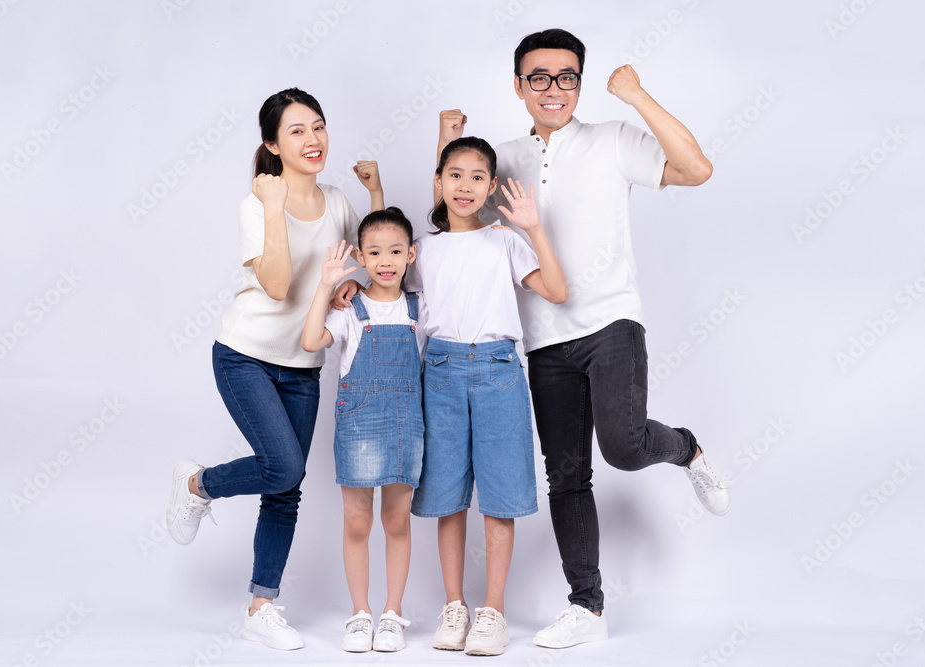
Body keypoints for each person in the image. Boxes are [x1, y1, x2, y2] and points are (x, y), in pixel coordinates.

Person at [435, 28, 731, 649]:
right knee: (567, 475)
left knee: (623, 445)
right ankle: (587, 607)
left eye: (566, 76)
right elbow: (452, 220)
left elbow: (697, 169)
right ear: (518, 86)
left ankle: (687, 449)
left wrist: (638, 96)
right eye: (538, 77)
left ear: (580, 84)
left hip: (610, 322)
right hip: (541, 341)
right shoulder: (504, 158)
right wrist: (445, 141)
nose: (553, 88)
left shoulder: (613, 140)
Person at [164, 87, 384, 651]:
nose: (313, 140)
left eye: (319, 126)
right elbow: (280, 284)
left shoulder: (337, 202)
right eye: (297, 131)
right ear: (272, 144)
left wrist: (347, 284)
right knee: (282, 466)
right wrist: (271, 204)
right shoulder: (254, 206)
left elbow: (364, 262)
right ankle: (198, 484)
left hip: (302, 364)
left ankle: (261, 606)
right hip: (244, 354)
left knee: (285, 489)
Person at [409, 136, 567, 657]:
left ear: (492, 187)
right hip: (442, 370)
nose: (465, 185)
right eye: (454, 174)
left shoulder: (504, 240)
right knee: (447, 496)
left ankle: (493, 611)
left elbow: (557, 290)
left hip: (498, 369)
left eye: (478, 177)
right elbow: (383, 275)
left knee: (499, 495)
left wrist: (533, 226)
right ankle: (455, 605)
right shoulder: (423, 248)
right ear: (439, 181)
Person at [301, 207, 426, 653]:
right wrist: (326, 285)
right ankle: (360, 614)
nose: (386, 260)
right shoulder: (350, 307)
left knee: (396, 521)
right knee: (357, 523)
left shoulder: (420, 308)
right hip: (358, 425)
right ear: (360, 256)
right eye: (374, 252)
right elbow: (311, 341)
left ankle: (392, 613)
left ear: (411, 254)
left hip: (408, 424)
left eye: (395, 250)